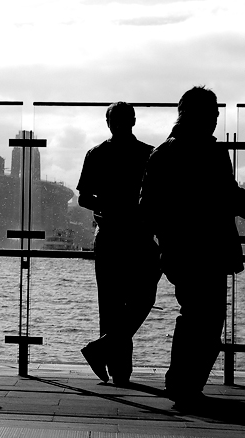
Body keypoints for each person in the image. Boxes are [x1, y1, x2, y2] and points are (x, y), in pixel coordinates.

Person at [140, 86, 245, 407]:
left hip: (180, 250)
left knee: (194, 315)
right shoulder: (212, 153)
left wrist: (167, 239)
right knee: (208, 320)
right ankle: (186, 384)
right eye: (213, 114)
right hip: (210, 249)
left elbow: (147, 208)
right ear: (202, 115)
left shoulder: (162, 154)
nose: (215, 120)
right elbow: (229, 197)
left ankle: (182, 385)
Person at [76, 102, 161, 386]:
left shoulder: (97, 154)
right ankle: (117, 368)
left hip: (109, 236)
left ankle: (111, 361)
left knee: (111, 304)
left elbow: (84, 197)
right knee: (141, 298)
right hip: (139, 236)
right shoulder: (150, 154)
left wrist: (107, 206)